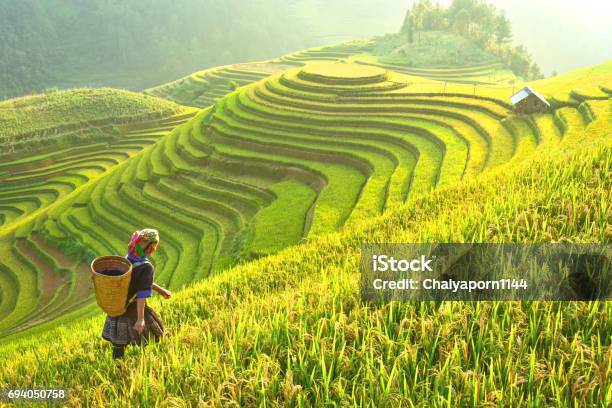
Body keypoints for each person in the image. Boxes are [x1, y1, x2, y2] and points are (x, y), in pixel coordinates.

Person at [102, 228, 172, 358]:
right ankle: (146, 363)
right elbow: (141, 294)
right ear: (151, 246)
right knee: (150, 336)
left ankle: (118, 364)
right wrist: (140, 319)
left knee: (119, 343)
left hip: (119, 305)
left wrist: (161, 291)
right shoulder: (146, 266)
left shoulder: (129, 258)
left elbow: (141, 281)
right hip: (133, 307)